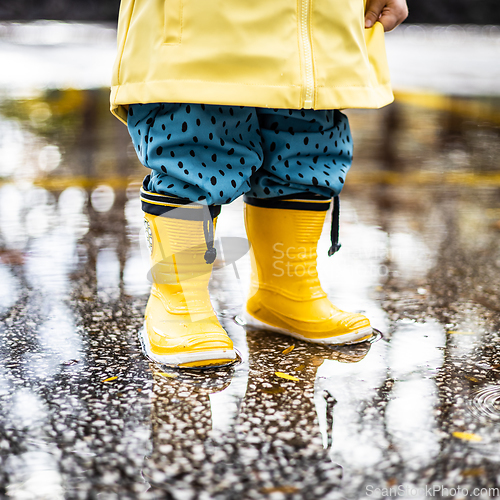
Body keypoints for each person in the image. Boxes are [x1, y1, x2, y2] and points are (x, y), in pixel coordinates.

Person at [110, 0, 408, 368]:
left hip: (321, 19)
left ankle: (284, 291)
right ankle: (179, 301)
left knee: (306, 144)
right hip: (202, 18)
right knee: (194, 141)